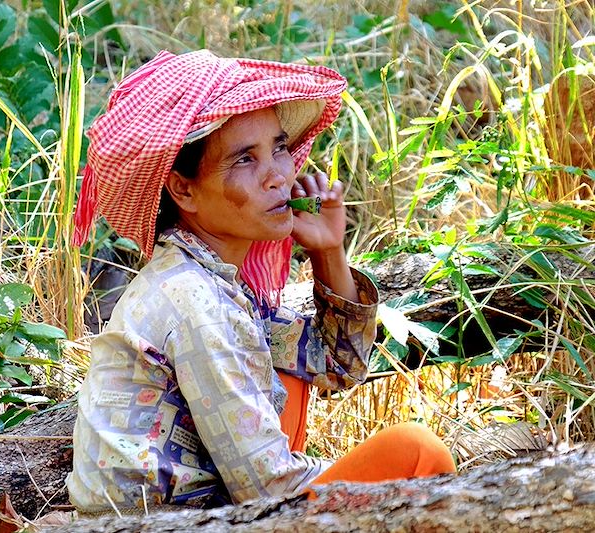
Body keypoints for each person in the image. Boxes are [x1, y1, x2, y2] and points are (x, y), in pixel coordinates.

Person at [67, 50, 455, 516]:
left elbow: (336, 366)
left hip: (209, 514)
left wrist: (329, 252)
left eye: (279, 148)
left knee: (289, 377)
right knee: (415, 451)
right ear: (183, 189)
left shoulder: (212, 281)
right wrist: (377, 476)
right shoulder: (193, 300)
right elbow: (268, 490)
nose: (278, 175)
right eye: (245, 160)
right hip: (172, 528)